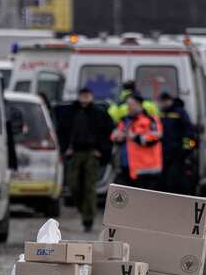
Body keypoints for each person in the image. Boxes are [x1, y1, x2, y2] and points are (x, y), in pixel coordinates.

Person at [64, 86, 113, 232]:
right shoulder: (71, 112)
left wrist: (102, 151)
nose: (85, 98)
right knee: (73, 185)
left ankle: (88, 218)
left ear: (91, 96)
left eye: (87, 95)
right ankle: (84, 212)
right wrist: (66, 147)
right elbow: (62, 131)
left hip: (92, 153)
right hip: (75, 153)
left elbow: (108, 133)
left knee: (89, 187)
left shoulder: (100, 113)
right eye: (82, 95)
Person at [110, 94, 163, 188]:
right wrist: (118, 137)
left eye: (131, 104)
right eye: (127, 105)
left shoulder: (151, 120)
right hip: (126, 168)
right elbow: (114, 136)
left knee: (145, 200)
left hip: (145, 170)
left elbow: (154, 137)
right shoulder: (124, 120)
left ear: (139, 104)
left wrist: (135, 137)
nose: (128, 107)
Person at [156, 89, 199, 195]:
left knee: (175, 178)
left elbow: (189, 132)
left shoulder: (180, 112)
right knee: (164, 179)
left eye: (165, 101)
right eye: (162, 101)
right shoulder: (161, 113)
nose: (163, 103)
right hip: (163, 152)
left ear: (170, 101)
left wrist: (186, 149)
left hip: (178, 152)